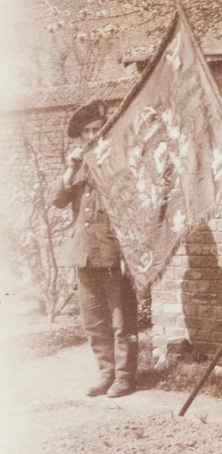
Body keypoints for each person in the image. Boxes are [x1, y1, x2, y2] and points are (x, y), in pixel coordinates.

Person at [49, 99, 138, 398]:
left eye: (96, 129)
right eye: (85, 131)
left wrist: (129, 251)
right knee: (94, 321)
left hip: (113, 250)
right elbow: (58, 200)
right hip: (83, 252)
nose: (91, 136)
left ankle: (125, 376)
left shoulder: (120, 159)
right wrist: (70, 168)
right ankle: (106, 373)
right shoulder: (77, 165)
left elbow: (133, 208)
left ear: (106, 130)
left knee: (121, 319)